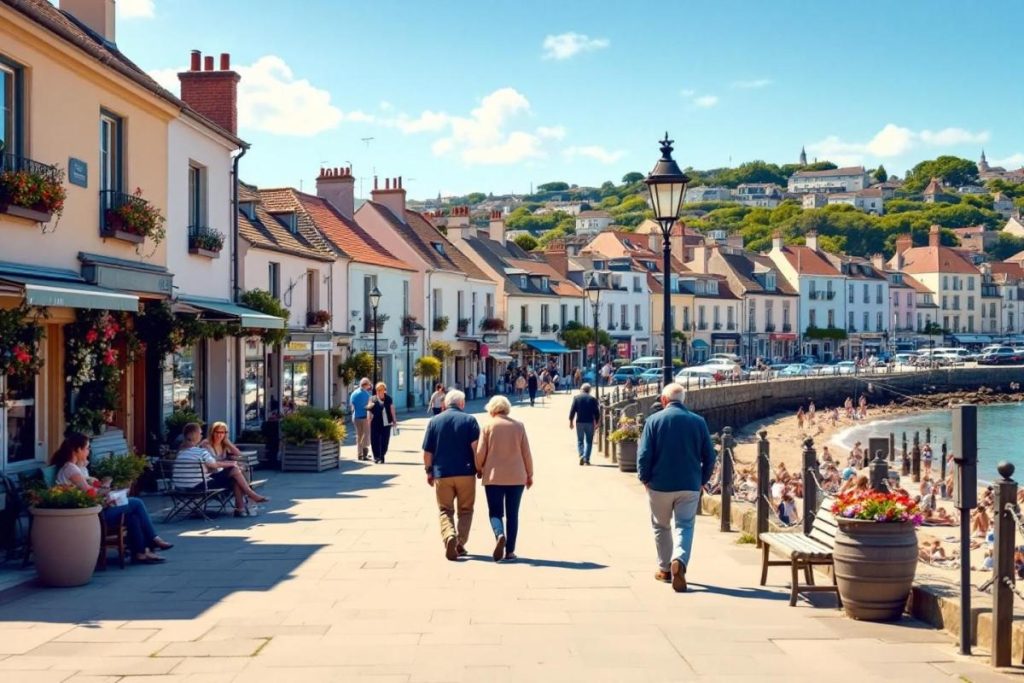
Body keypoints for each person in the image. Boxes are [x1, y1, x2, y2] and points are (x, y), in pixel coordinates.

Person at [637, 383, 715, 593]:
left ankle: (665, 569)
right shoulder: (698, 422)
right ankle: (679, 560)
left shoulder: (654, 421)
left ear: (663, 400)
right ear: (683, 400)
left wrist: (644, 479)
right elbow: (710, 456)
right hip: (689, 484)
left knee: (661, 526)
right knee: (685, 526)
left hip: (659, 484)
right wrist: (702, 480)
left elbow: (644, 455)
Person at [52, 432, 172, 564]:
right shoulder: (71, 469)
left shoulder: (76, 468)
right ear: (78, 449)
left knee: (133, 517)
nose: (89, 451)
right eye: (87, 448)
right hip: (92, 515)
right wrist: (106, 492)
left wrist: (106, 491)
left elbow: (89, 490)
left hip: (95, 509)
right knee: (136, 503)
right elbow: (89, 492)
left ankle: (141, 552)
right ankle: (153, 539)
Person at [423, 389, 480, 560]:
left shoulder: (434, 421)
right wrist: (479, 468)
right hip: (466, 472)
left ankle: (449, 535)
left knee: (445, 510)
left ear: (445, 404)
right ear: (462, 404)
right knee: (466, 510)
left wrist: (428, 471)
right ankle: (459, 543)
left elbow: (427, 452)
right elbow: (476, 448)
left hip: (442, 473)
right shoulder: (470, 420)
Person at [475, 395, 533, 562]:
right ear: (507, 408)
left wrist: (479, 468)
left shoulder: (487, 426)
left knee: (495, 512)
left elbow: (480, 453)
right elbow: (526, 453)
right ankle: (510, 551)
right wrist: (530, 474)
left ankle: (499, 534)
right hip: (516, 477)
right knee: (513, 514)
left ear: (491, 409)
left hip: (493, 477)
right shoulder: (518, 426)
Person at [175, 423, 268, 515]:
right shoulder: (201, 451)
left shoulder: (181, 452)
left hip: (180, 487)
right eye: (200, 433)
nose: (201, 435)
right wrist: (232, 463)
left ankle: (242, 506)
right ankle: (248, 497)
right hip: (198, 487)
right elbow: (214, 465)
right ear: (193, 435)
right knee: (234, 472)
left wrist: (230, 462)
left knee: (235, 474)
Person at [568, 383, 601, 466]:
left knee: (580, 440)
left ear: (581, 389)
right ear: (589, 390)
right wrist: (597, 422)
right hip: (589, 422)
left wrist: (571, 422)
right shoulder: (592, 399)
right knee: (589, 441)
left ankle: (581, 455)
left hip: (579, 422)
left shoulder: (576, 398)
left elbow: (572, 411)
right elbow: (597, 412)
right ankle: (586, 459)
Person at [368, 382, 397, 464]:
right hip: (375, 422)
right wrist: (368, 420)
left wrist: (394, 420)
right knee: (375, 440)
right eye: (377, 390)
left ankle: (382, 455)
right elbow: (369, 411)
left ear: (384, 390)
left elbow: (392, 409)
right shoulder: (372, 399)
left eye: (381, 389)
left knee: (385, 441)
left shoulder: (388, 399)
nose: (379, 391)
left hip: (386, 422)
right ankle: (376, 457)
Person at [350, 377, 372, 460]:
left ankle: (359, 454)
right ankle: (364, 454)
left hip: (355, 417)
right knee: (365, 435)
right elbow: (368, 407)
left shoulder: (354, 393)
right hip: (364, 418)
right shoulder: (366, 395)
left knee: (359, 435)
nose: (369, 386)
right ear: (365, 385)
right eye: (369, 384)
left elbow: (352, 406)